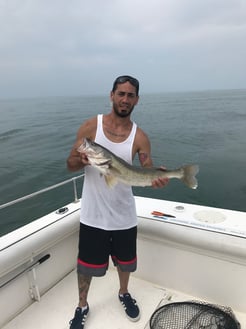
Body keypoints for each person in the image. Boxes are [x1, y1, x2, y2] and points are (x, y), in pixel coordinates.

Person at [67, 75, 168, 329]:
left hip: (124, 215)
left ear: (137, 100)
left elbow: (146, 167)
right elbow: (70, 163)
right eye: (120, 94)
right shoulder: (91, 127)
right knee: (86, 266)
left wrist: (158, 176)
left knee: (126, 262)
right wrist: (83, 160)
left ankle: (123, 293)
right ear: (111, 95)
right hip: (93, 214)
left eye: (130, 95)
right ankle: (82, 305)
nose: (125, 99)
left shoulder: (140, 137)